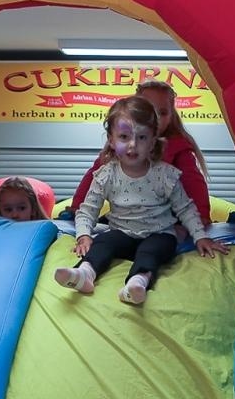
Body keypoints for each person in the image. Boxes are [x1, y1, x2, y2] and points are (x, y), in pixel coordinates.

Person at [55, 96, 225, 305]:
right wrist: (83, 235)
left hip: (159, 233)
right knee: (104, 242)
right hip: (123, 234)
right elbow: (87, 209)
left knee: (153, 249)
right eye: (124, 137)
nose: (133, 145)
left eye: (142, 137)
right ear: (111, 139)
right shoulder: (106, 175)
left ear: (153, 141)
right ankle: (85, 273)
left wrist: (200, 237)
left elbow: (186, 208)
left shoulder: (165, 174)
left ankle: (138, 282)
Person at [69, 80, 210, 236]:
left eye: (162, 113)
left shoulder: (177, 146)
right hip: (127, 218)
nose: (155, 118)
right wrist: (76, 207)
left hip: (164, 218)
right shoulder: (122, 147)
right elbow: (94, 176)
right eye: (148, 110)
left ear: (171, 116)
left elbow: (193, 182)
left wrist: (202, 215)